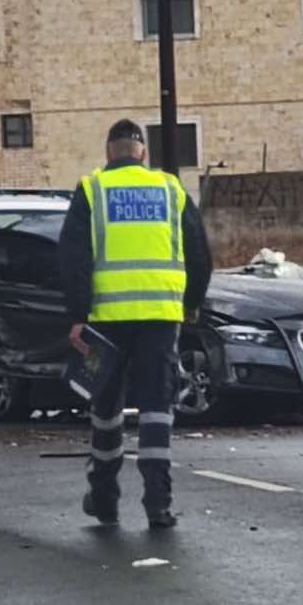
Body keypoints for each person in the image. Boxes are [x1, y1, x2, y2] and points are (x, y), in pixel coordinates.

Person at [58, 119, 213, 530]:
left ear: (109, 152)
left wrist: (77, 315)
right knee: (156, 408)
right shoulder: (170, 189)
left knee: (105, 409)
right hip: (161, 317)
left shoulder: (92, 190)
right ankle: (158, 504)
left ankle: (105, 499)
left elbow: (72, 257)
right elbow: (199, 252)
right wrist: (192, 304)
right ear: (143, 152)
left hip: (107, 318)